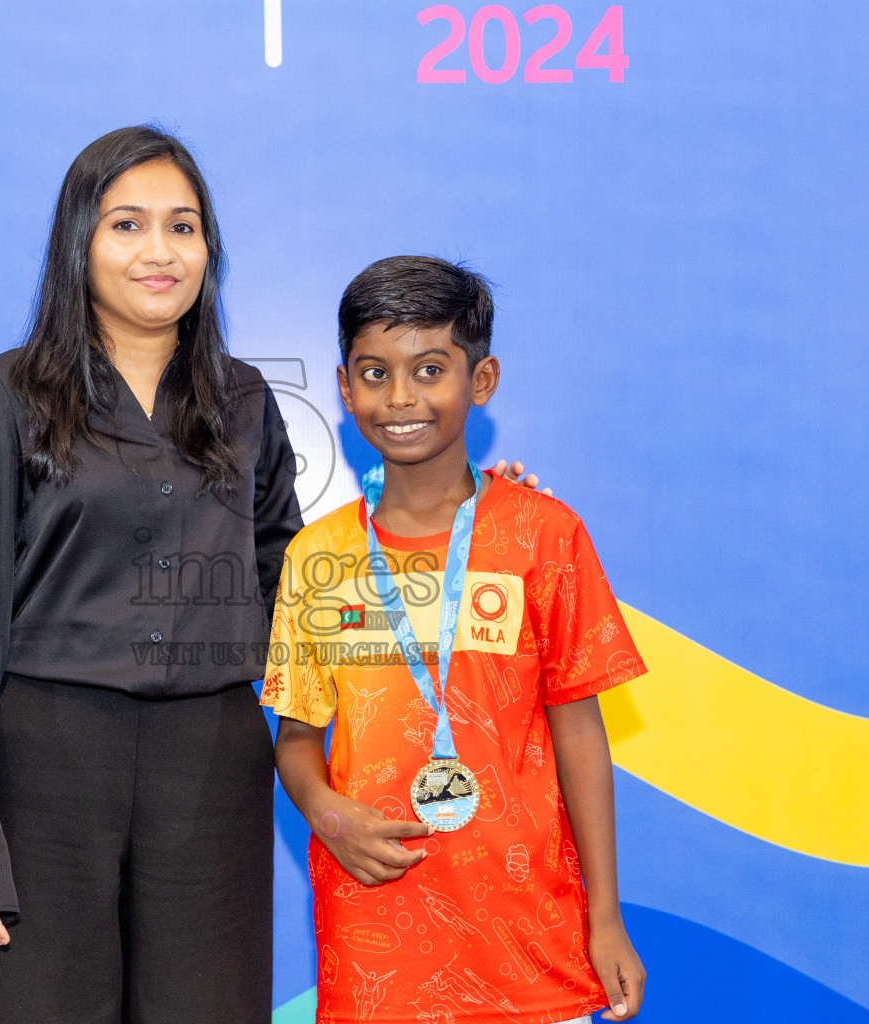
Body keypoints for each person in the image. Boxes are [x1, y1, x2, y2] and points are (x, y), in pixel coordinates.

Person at [0, 126, 301, 1024]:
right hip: (45, 769)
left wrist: (460, 512)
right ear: (78, 243)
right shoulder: (8, 394)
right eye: (127, 225)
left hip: (212, 768)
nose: (160, 252)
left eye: (184, 226)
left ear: (210, 248)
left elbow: (298, 580)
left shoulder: (246, 399)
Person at [266, 256, 648, 1023]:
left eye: (430, 369)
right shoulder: (319, 556)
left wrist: (605, 916)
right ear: (343, 389)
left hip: (531, 944)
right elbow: (296, 737)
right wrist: (328, 814)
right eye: (374, 373)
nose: (400, 398)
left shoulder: (546, 535)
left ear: (482, 380)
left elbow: (580, 730)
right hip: (376, 943)